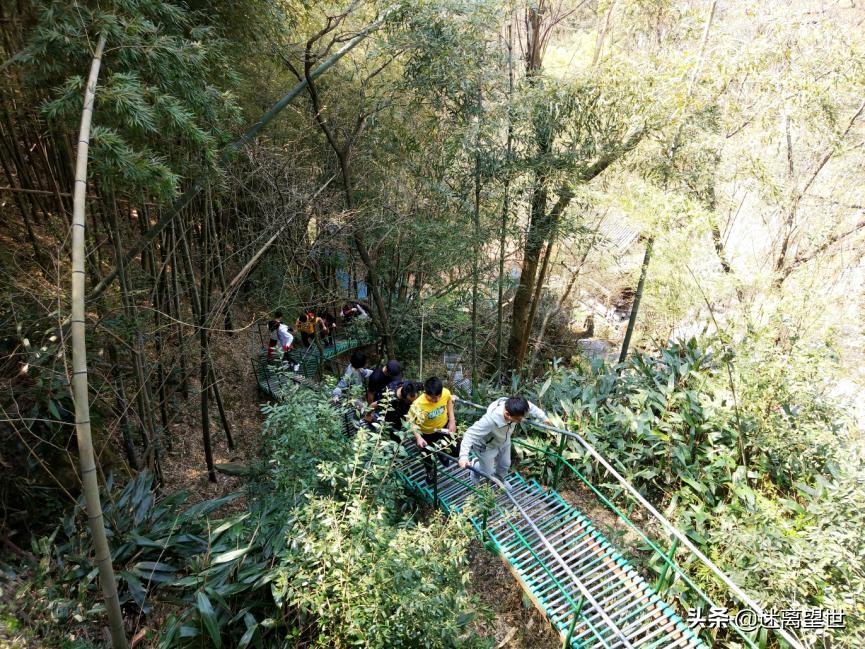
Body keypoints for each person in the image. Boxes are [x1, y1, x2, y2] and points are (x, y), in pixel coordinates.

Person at [458, 396, 551, 488]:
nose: (520, 421)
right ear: (507, 414)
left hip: (504, 440)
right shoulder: (489, 421)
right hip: (486, 446)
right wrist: (463, 457)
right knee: (487, 473)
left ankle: (499, 481)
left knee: (505, 464)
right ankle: (475, 466)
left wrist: (544, 418)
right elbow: (470, 434)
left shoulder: (516, 406)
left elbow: (530, 406)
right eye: (518, 419)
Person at [408, 376, 457, 483]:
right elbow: (410, 422)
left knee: (455, 450)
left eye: (439, 396)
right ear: (426, 393)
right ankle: (429, 472)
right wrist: (418, 437)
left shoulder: (445, 392)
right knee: (427, 456)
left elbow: (449, 401)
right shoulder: (418, 404)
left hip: (443, 427)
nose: (437, 400)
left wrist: (452, 420)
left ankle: (442, 453)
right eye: (433, 398)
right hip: (427, 433)